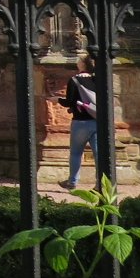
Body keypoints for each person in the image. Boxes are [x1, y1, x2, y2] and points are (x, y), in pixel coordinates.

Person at [60, 53, 102, 190]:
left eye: (79, 60)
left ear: (83, 64)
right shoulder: (98, 79)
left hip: (80, 122)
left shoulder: (74, 80)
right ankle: (100, 184)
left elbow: (70, 102)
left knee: (76, 153)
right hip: (97, 121)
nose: (77, 62)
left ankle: (72, 182)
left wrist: (58, 100)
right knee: (99, 155)